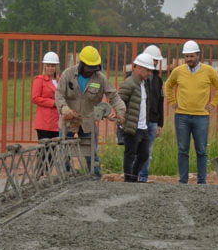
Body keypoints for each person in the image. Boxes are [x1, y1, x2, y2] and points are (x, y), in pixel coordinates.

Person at [55, 45, 126, 178]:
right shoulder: (68, 74)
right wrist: (64, 109)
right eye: (89, 68)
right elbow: (59, 94)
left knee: (92, 154)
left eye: (94, 68)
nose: (91, 71)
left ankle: (96, 179)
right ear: (82, 64)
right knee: (63, 153)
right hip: (68, 121)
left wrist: (120, 111)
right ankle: (64, 178)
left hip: (88, 121)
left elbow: (114, 96)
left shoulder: (100, 79)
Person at [164, 40, 218, 184]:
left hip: (201, 117)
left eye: (191, 56)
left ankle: (202, 181)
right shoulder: (178, 71)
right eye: (186, 56)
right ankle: (183, 180)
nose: (189, 59)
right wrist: (172, 101)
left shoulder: (209, 71)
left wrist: (213, 104)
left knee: (202, 150)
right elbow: (168, 85)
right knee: (182, 149)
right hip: (181, 116)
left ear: (198, 55)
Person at [118, 53, 157, 182]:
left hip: (143, 127)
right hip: (131, 127)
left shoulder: (143, 84)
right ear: (139, 68)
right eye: (148, 70)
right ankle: (129, 180)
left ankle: (133, 178)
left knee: (144, 155)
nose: (150, 73)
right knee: (130, 155)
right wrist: (121, 120)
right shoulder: (128, 84)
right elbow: (119, 103)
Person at [137, 44, 165, 183]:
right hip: (138, 120)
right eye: (153, 60)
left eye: (156, 60)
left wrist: (160, 123)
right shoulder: (134, 77)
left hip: (153, 121)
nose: (154, 63)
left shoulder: (158, 80)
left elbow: (160, 102)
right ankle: (133, 176)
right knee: (136, 150)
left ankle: (143, 178)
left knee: (148, 152)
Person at [32, 51, 61, 140]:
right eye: (48, 66)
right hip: (44, 122)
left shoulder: (61, 80)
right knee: (45, 148)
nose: (50, 68)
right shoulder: (39, 80)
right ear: (44, 66)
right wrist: (53, 103)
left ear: (56, 67)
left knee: (57, 147)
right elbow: (35, 98)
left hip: (57, 121)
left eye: (53, 66)